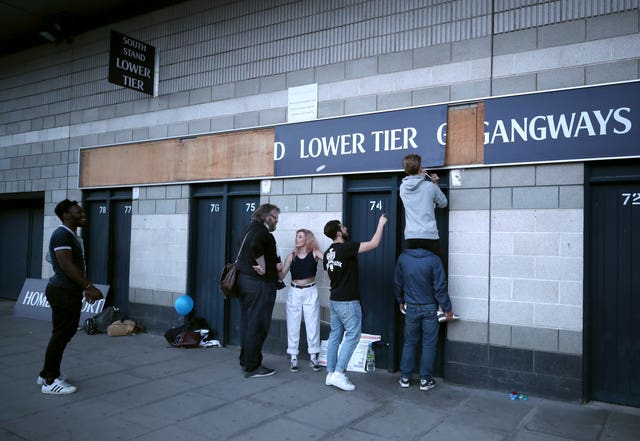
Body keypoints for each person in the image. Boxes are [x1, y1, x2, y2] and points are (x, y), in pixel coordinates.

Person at [39, 199, 104, 394]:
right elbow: (66, 265)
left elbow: (61, 262)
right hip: (62, 292)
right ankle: (50, 381)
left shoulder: (70, 235)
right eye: (78, 212)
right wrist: (88, 286)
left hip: (66, 290)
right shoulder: (61, 235)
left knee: (62, 333)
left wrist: (82, 287)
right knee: (61, 334)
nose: (83, 215)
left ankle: (46, 374)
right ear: (66, 215)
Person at [322, 214, 388, 391]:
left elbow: (328, 275)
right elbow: (373, 244)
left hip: (334, 299)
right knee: (353, 336)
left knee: (335, 335)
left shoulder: (328, 252)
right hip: (348, 301)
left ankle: (330, 373)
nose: (346, 229)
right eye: (343, 227)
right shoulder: (346, 248)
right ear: (338, 232)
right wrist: (381, 224)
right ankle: (339, 373)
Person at [394, 247, 453, 391]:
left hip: (411, 307)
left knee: (410, 342)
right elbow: (440, 287)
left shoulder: (403, 258)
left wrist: (400, 300)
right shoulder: (434, 259)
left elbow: (397, 282)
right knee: (429, 344)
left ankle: (405, 378)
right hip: (430, 307)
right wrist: (447, 308)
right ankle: (425, 380)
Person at [236, 203, 281, 378]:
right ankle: (253, 367)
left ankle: (246, 360)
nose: (277, 222)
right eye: (276, 218)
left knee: (248, 323)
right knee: (258, 325)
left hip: (245, 283)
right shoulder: (261, 231)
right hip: (259, 285)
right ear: (267, 217)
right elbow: (255, 245)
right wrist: (262, 265)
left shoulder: (248, 228)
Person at [279, 229, 324, 373]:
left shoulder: (315, 253)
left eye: (300, 237)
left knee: (313, 323)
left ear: (307, 239)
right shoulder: (291, 256)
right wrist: (273, 268)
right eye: (296, 237)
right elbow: (281, 275)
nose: (297, 239)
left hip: (310, 291)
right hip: (294, 291)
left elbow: (330, 261)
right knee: (293, 324)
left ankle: (313, 357)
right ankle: (293, 357)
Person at [399, 153, 448, 257]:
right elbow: (443, 203)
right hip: (429, 235)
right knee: (433, 267)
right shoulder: (430, 186)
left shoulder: (402, 188)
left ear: (405, 171)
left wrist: (420, 175)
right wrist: (435, 183)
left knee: (415, 267)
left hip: (411, 236)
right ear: (421, 167)